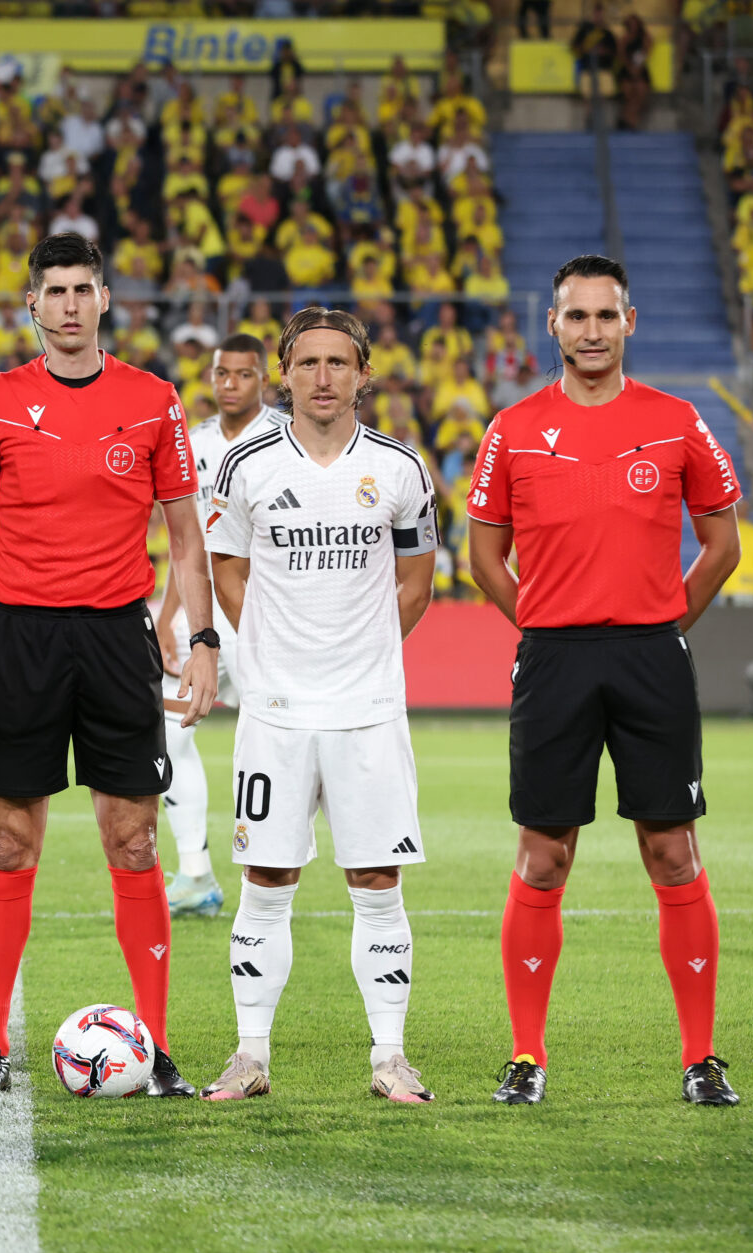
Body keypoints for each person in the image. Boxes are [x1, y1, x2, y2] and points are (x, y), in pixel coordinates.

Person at [0, 232, 220, 1096]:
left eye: (84, 289)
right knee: (12, 844)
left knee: (132, 840)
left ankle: (154, 1048)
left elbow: (188, 540)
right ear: (33, 306)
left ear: (104, 299)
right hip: (23, 637)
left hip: (120, 638)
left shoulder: (152, 399)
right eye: (55, 291)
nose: (71, 305)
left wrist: (202, 642)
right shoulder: (0, 401)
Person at [466, 255, 744, 1107]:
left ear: (631, 322)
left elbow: (724, 543)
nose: (591, 330)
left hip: (651, 656)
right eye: (575, 317)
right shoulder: (513, 428)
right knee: (544, 856)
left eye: (605, 316)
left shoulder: (676, 421)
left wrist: (663, 625)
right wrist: (546, 625)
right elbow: (482, 555)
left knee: (671, 850)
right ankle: (525, 1056)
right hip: (553, 659)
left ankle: (700, 1058)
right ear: (551, 325)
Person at [198, 308, 439, 1105]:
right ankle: (250, 1056)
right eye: (308, 364)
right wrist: (274, 646)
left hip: (369, 708)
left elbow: (416, 580)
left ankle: (391, 1058)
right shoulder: (246, 465)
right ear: (285, 374)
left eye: (340, 363)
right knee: (265, 876)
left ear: (364, 373)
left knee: (377, 880)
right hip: (275, 709)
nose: (324, 378)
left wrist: (363, 648)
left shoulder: (402, 468)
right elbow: (226, 565)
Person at [155, 334, 287, 918]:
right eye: (222, 373)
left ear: (263, 379)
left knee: (280, 743)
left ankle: (277, 869)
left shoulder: (285, 440)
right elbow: (185, 540)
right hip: (197, 616)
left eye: (243, 374)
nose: (230, 383)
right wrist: (165, 619)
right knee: (165, 735)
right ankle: (196, 873)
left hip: (263, 618)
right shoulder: (193, 442)